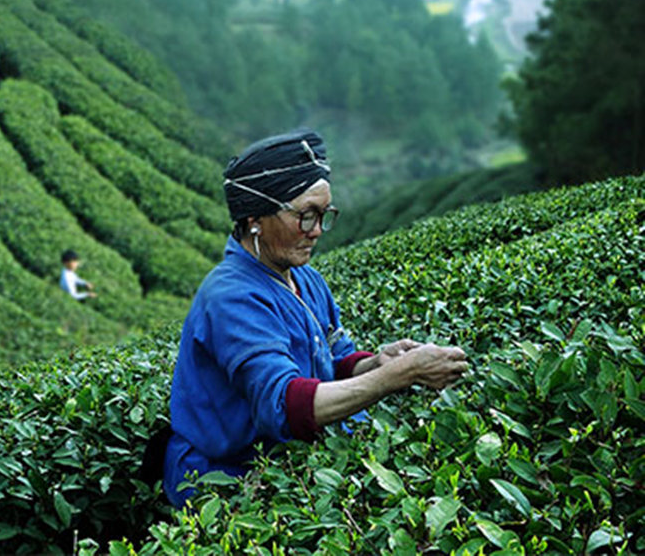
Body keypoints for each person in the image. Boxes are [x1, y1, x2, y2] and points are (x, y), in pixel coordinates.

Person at [163, 130, 469, 508]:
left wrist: (378, 362)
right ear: (255, 219)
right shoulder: (232, 296)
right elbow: (283, 405)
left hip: (290, 466)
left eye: (324, 215)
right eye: (306, 216)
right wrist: (399, 376)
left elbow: (334, 360)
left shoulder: (304, 278)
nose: (318, 231)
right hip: (224, 482)